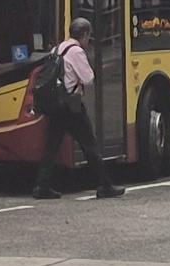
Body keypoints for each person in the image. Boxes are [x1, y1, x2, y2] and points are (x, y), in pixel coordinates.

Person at [31, 16, 121, 200]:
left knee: (52, 145)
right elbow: (88, 79)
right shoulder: (76, 51)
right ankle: (106, 185)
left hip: (56, 103)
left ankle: (42, 186)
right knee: (89, 144)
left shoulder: (57, 48)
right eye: (89, 36)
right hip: (71, 106)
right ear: (85, 34)